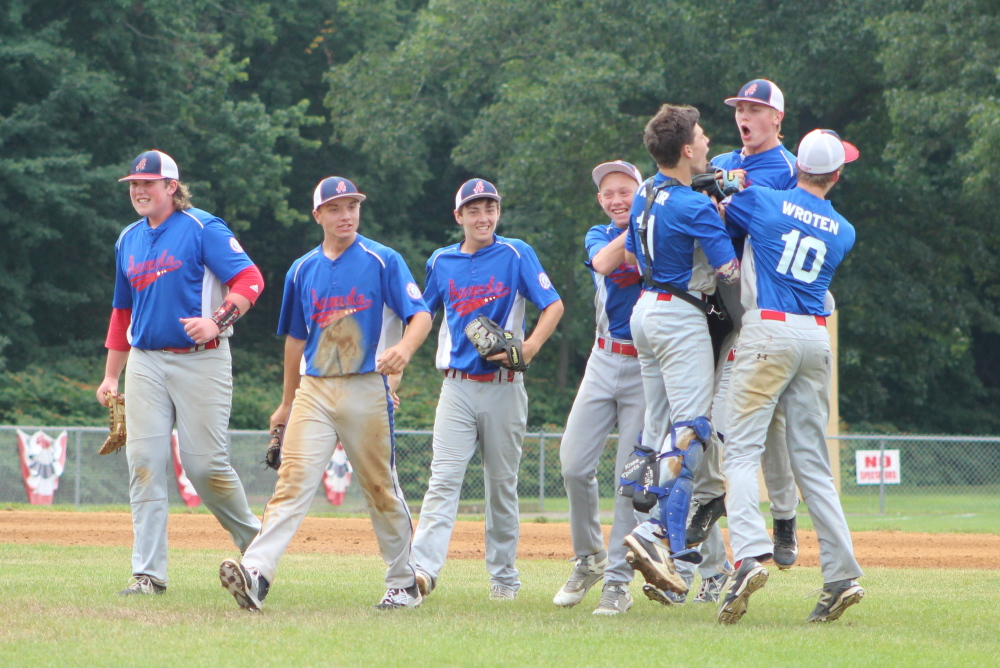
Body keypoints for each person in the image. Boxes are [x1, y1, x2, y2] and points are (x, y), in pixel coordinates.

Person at [219, 176, 433, 611]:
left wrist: (403, 351)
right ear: (317, 215)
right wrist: (285, 402)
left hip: (366, 387)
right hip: (314, 391)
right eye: (335, 208)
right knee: (291, 482)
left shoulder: (381, 259)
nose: (346, 215)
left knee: (379, 488)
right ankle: (257, 574)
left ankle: (403, 583)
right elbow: (296, 340)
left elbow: (421, 315)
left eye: (352, 206)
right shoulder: (302, 269)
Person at [96, 149, 263, 595]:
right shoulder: (128, 238)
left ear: (172, 187)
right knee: (144, 464)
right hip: (146, 362)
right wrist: (112, 376)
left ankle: (258, 547)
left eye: (148, 183)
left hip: (202, 357)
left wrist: (218, 319)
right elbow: (121, 311)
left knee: (204, 466)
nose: (138, 190)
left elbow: (250, 280)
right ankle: (148, 575)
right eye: (133, 183)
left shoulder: (202, 227)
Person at [717, 129, 864, 624]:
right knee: (814, 464)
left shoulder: (762, 199)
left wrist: (727, 181)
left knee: (739, 450)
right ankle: (841, 575)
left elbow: (720, 206)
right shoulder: (844, 230)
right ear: (836, 175)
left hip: (768, 331)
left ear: (795, 165)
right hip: (816, 338)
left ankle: (749, 555)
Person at [411, 179, 564, 601]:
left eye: (490, 208)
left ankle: (504, 581)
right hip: (456, 387)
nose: (483, 217)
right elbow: (423, 314)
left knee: (501, 486)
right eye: (473, 210)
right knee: (442, 481)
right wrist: (399, 360)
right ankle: (421, 572)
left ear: (498, 212)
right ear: (458, 216)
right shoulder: (441, 261)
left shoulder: (516, 253)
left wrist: (529, 346)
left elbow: (553, 304)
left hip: (504, 386)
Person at [620, 105, 740, 598]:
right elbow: (729, 271)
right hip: (679, 314)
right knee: (691, 430)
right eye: (702, 136)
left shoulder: (646, 190)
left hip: (643, 310)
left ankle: (664, 559)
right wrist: (721, 217)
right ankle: (659, 537)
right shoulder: (692, 205)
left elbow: (630, 254)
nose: (708, 142)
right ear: (686, 149)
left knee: (657, 431)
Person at [553, 161, 645, 615]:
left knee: (628, 479)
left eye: (626, 191)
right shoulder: (598, 233)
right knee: (572, 463)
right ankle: (589, 558)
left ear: (640, 190)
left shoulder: (664, 230)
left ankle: (618, 581)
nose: (616, 200)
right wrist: (651, 216)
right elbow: (607, 261)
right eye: (609, 193)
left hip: (648, 367)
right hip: (604, 357)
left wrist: (658, 217)